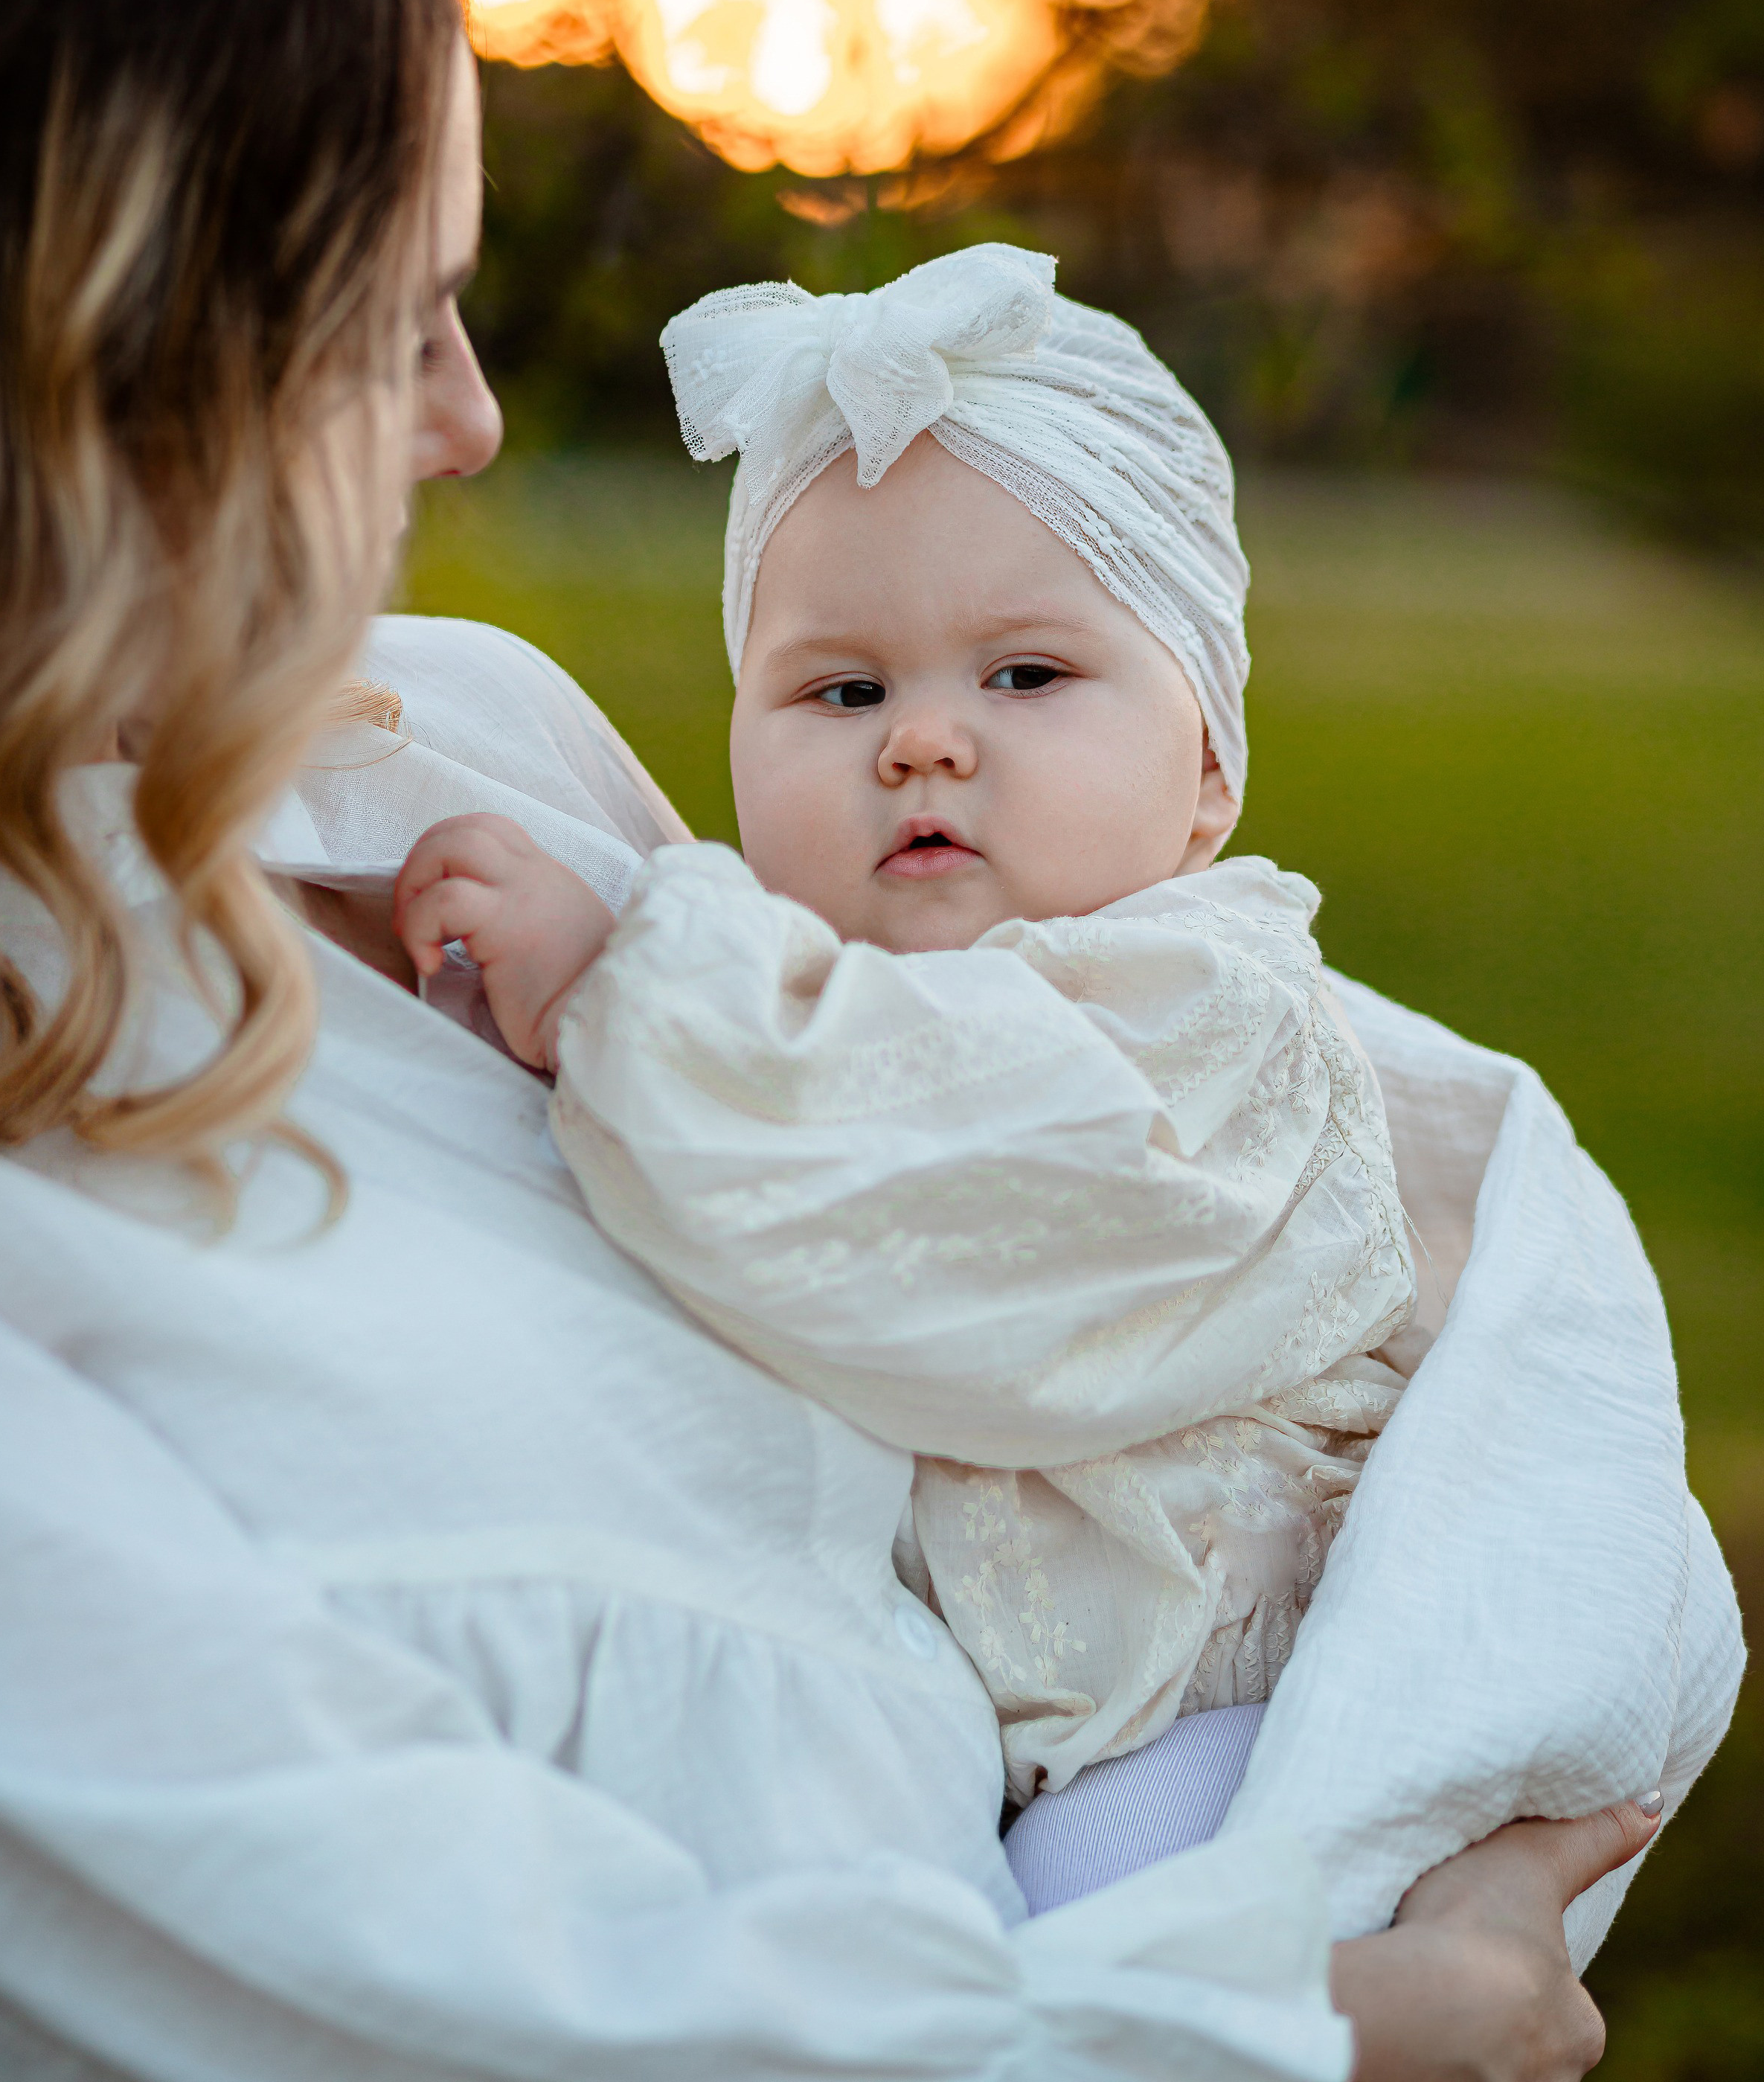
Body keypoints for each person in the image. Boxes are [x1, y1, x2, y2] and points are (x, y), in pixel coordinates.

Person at [0, 0, 1702, 2082]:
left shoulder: (425, 736)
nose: (473, 424)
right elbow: (474, 2014)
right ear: (95, 351)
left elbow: (1086, 1129)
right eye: (394, 320)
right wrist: (1328, 2035)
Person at [388, 256, 1743, 1938]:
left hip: (1227, 1737)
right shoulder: (852, 1006)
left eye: (1023, 677)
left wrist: (622, 986)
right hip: (1028, 1742)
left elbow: (951, 1191)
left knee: (1090, 1962)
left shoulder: (1200, 1010)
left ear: (1210, 776)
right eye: (843, 690)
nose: (923, 744)